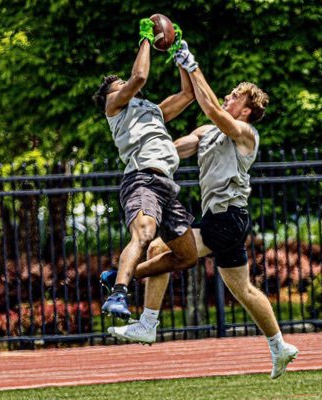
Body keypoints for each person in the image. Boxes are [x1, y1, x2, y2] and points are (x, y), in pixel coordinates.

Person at [107, 41, 299, 379]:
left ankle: (146, 322)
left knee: (157, 247)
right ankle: (279, 346)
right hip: (223, 221)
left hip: (228, 218)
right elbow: (174, 148)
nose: (228, 97)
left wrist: (190, 63)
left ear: (246, 109)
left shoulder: (245, 134)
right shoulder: (209, 133)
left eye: (234, 96)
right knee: (245, 290)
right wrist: (140, 143)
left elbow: (211, 107)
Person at [93, 21, 198, 319]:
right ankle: (118, 295)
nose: (127, 90)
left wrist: (179, 53)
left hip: (166, 185)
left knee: (187, 256)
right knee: (145, 233)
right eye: (120, 87)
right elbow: (138, 77)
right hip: (141, 179)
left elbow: (188, 93)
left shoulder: (154, 111)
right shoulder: (114, 107)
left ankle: (120, 276)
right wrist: (147, 39)